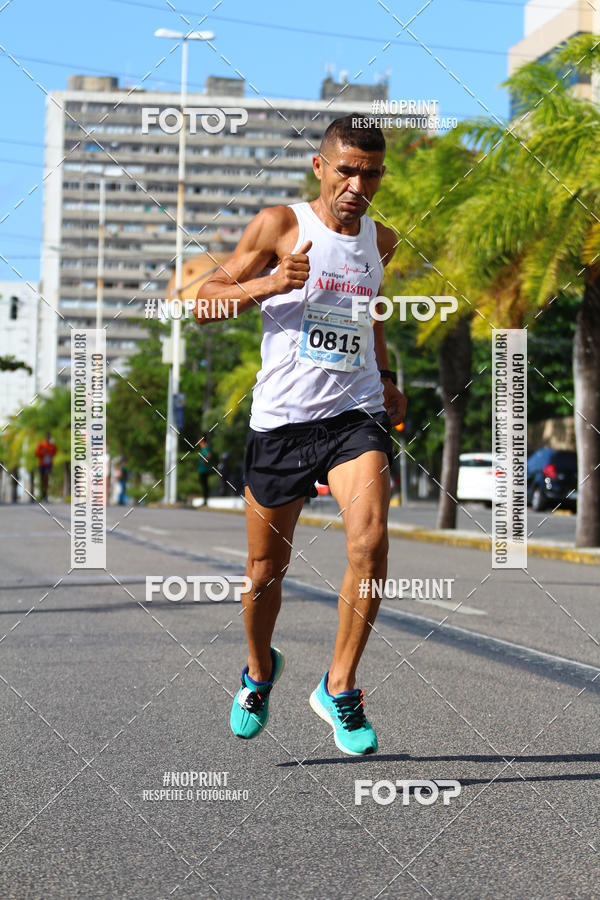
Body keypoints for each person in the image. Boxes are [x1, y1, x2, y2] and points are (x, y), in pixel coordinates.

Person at [195, 115, 406, 756]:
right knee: (265, 570)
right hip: (282, 420)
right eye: (346, 169)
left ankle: (339, 687)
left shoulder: (382, 238)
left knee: (369, 543)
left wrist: (389, 374)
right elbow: (205, 299)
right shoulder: (280, 225)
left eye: (369, 173)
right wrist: (268, 283)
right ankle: (259, 670)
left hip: (355, 415)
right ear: (321, 167)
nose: (357, 184)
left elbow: (366, 312)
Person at [35, 433, 57, 502]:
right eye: (47, 437)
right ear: (45, 437)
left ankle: (45, 495)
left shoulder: (52, 446)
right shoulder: (41, 445)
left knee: (46, 478)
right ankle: (43, 494)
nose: (48, 438)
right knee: (42, 480)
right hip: (42, 464)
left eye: (49, 437)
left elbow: (55, 452)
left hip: (48, 464)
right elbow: (36, 454)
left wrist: (51, 454)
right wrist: (42, 452)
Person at [196, 436, 213, 506]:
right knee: (204, 485)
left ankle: (205, 500)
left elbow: (209, 455)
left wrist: (204, 461)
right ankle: (205, 500)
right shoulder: (204, 448)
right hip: (202, 470)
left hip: (204, 470)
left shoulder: (205, 448)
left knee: (204, 485)